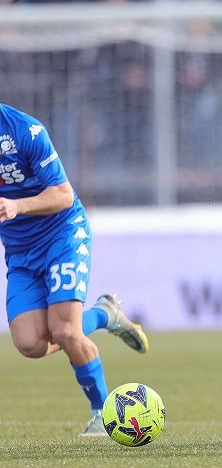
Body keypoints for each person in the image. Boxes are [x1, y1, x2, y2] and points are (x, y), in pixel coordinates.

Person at [0, 103, 149, 436]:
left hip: (62, 237)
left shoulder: (26, 131)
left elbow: (63, 195)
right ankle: (103, 315)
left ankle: (103, 413)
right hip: (20, 253)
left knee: (66, 331)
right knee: (30, 344)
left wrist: (17, 205)